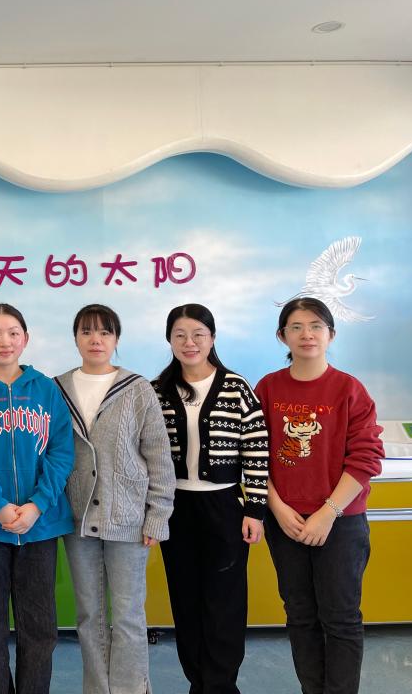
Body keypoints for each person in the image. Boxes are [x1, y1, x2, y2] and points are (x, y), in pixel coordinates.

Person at [255, 297, 384, 694]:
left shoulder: (349, 389)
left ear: (331, 334)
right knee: (300, 616)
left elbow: (366, 457)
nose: (306, 334)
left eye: (316, 326)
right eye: (296, 327)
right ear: (282, 336)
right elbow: (254, 455)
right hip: (286, 523)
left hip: (340, 523)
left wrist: (328, 512)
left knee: (341, 617)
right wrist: (277, 508)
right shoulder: (268, 388)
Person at [54, 303, 175, 694]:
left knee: (127, 616)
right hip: (77, 519)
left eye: (105, 332)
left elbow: (159, 456)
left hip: (128, 518)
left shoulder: (138, 389)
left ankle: (131, 688)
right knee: (89, 615)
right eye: (87, 331)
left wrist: (157, 515)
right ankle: (97, 688)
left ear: (116, 339)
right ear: (76, 338)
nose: (96, 340)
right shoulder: (57, 388)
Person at [0, 303, 74, 694]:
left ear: (26, 339)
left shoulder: (46, 389)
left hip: (39, 526)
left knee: (39, 627)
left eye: (13, 333)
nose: (4, 341)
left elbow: (61, 451)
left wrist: (37, 504)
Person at [151, 303, 268, 694]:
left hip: (225, 507)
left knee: (225, 602)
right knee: (186, 600)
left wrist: (255, 509)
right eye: (180, 335)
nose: (190, 342)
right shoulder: (156, 390)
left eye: (198, 334)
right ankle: (198, 683)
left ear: (212, 338)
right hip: (176, 509)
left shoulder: (235, 387)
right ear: (169, 340)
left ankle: (220, 686)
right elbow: (146, 454)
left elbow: (256, 450)